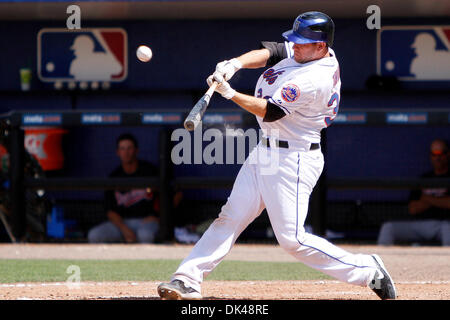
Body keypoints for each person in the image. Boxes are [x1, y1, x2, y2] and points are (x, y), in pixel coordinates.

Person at [158, 12, 396, 300]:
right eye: (295, 40)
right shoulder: (311, 53)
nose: (295, 46)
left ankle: (369, 270)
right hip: (266, 151)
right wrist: (236, 64)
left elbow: (270, 111)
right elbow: (272, 51)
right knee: (230, 216)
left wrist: (230, 93)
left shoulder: (314, 78)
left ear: (321, 47)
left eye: (303, 43)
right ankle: (187, 279)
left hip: (293, 159)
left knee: (293, 240)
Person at [87, 133, 160, 243]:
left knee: (145, 235)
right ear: (118, 152)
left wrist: (160, 217)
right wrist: (124, 229)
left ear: (136, 151)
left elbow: (175, 195)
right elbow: (110, 211)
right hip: (121, 223)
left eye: (129, 148)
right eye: (122, 149)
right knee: (94, 235)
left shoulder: (150, 171)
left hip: (146, 222)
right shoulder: (114, 176)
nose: (126, 153)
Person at [378, 139, 450, 246]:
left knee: (447, 228)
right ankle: (383, 262)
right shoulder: (424, 179)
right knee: (388, 227)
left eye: (441, 153)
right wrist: (439, 201)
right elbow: (413, 209)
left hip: (443, 224)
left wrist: (427, 199)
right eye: (434, 154)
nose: (438, 158)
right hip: (419, 224)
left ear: (448, 154)